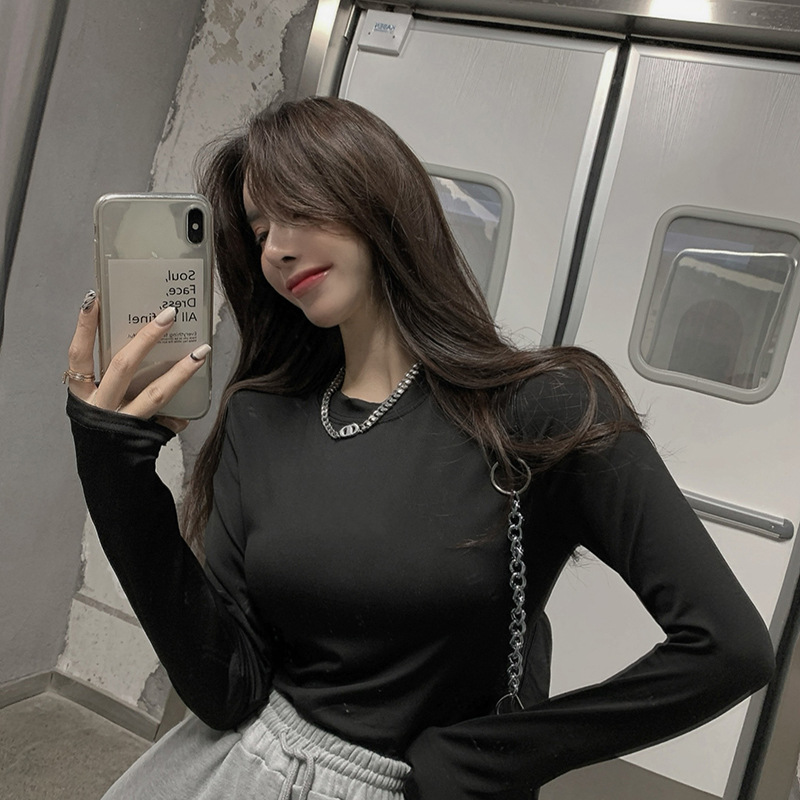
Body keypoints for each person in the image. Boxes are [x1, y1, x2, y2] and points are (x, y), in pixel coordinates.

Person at [65, 97, 774, 800]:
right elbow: (227, 687)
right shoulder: (260, 414)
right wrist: (114, 470)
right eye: (260, 231)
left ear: (374, 196)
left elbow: (728, 648)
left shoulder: (542, 407)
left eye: (297, 208)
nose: (276, 248)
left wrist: (496, 758)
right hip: (242, 770)